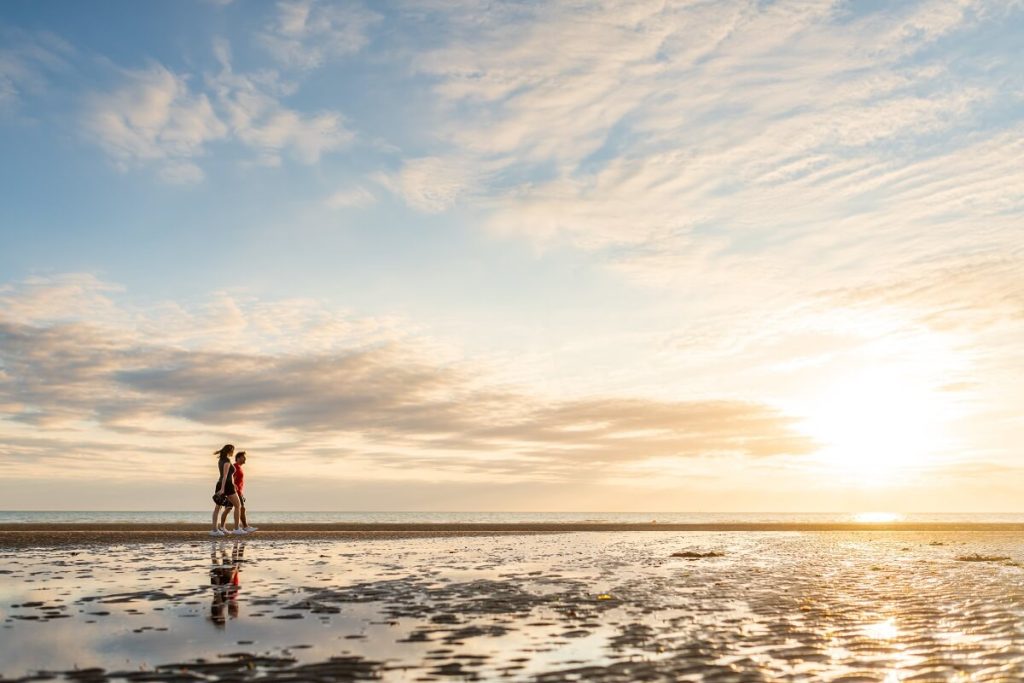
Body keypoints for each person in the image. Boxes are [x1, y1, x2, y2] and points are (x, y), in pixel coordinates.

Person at [210, 444, 246, 536]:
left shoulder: (220, 460)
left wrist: (231, 484)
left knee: (217, 508)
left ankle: (214, 530)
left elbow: (225, 475)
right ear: (229, 451)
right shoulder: (226, 460)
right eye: (232, 450)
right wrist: (223, 489)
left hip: (222, 483)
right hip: (226, 485)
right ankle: (237, 529)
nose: (233, 452)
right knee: (237, 505)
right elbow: (225, 475)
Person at [219, 451, 258, 533]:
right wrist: (233, 489)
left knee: (229, 509)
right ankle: (245, 527)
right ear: (238, 458)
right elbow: (231, 478)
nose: (245, 459)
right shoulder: (235, 467)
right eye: (243, 457)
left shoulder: (239, 467)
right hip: (234, 492)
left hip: (237, 491)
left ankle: (222, 527)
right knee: (240, 508)